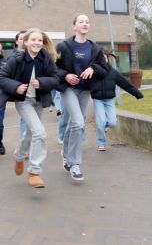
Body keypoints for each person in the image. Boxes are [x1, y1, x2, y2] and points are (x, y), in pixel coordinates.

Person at [0, 28, 59, 188]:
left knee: (31, 133)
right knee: (40, 133)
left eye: (40, 40)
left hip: (38, 101)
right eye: (33, 40)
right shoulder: (16, 58)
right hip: (23, 101)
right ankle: (34, 172)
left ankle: (18, 156)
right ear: (25, 42)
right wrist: (16, 86)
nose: (37, 43)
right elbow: (1, 77)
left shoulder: (46, 58)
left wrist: (42, 82)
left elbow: (56, 78)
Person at [56, 13, 109, 181]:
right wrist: (65, 76)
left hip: (85, 90)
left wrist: (93, 68)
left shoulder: (95, 48)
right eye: (81, 21)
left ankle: (66, 154)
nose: (85, 24)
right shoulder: (63, 46)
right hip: (69, 89)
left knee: (74, 124)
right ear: (74, 26)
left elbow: (104, 69)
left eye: (87, 21)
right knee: (79, 123)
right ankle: (75, 163)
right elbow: (52, 68)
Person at [90, 52, 144, 151]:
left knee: (112, 122)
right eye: (101, 58)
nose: (103, 60)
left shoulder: (113, 72)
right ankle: (101, 142)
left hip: (109, 100)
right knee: (100, 121)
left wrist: (137, 94)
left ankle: (106, 125)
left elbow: (125, 84)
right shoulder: (93, 72)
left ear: (107, 59)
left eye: (105, 58)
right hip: (97, 100)